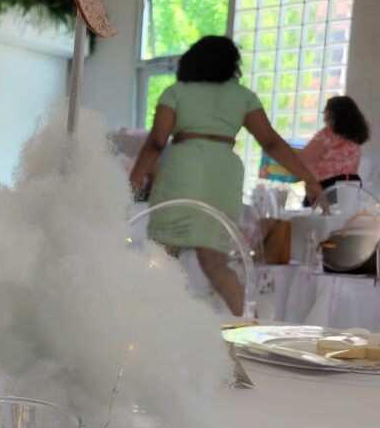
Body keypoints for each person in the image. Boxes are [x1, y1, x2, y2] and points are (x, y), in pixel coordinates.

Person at [129, 36, 322, 316]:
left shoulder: (176, 92)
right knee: (216, 264)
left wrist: (132, 182)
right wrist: (309, 178)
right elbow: (271, 142)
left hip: (183, 169)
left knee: (162, 259)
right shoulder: (243, 96)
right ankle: (247, 329)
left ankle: (143, 325)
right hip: (222, 175)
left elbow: (157, 141)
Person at [298, 95, 371, 205]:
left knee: (317, 219)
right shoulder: (354, 139)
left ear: (331, 114)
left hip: (326, 188)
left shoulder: (327, 135)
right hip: (351, 187)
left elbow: (303, 160)